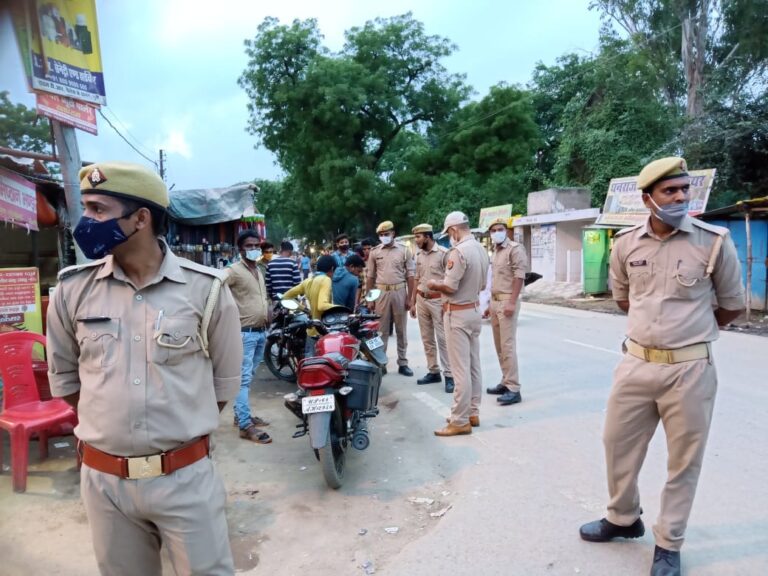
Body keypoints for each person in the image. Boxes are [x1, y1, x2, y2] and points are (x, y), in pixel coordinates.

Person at [46, 161, 243, 574]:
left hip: (186, 480)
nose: (86, 221)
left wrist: (173, 430)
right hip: (105, 484)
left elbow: (222, 387)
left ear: (140, 219)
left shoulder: (206, 290)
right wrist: (115, 428)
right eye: (86, 208)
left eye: (98, 209)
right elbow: (67, 381)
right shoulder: (71, 290)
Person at [579, 157, 745, 576]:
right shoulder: (625, 244)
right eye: (670, 191)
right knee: (616, 443)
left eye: (684, 189)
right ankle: (623, 517)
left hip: (690, 370)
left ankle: (669, 542)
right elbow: (623, 299)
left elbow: (731, 307)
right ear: (648, 198)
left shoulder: (714, 241)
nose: (680, 197)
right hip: (635, 364)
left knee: (683, 460)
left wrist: (686, 333)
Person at [427, 211, 489, 436]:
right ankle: (472, 412)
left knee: (460, 369)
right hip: (473, 309)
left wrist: (434, 284)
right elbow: (483, 285)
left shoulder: (458, 252)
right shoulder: (481, 249)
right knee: (473, 365)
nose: (450, 237)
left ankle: (459, 420)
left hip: (458, 314)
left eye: (449, 233)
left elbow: (450, 287)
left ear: (454, 230)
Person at [223, 231, 273, 444]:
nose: (253, 249)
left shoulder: (258, 270)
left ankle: (240, 416)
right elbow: (214, 288)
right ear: (240, 249)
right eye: (249, 246)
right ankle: (245, 425)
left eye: (256, 246)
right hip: (244, 333)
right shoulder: (232, 271)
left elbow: (262, 297)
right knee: (243, 380)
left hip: (260, 332)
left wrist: (267, 309)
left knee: (248, 377)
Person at [483, 217, 528, 406]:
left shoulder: (515, 249)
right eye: (493, 230)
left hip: (507, 301)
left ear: (507, 231)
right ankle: (505, 380)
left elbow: (519, 276)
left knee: (507, 346)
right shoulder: (495, 251)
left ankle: (514, 388)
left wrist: (512, 302)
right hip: (495, 302)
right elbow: (493, 279)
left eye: (500, 229)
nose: (496, 233)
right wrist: (488, 304)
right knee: (499, 346)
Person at [366, 221, 415, 376]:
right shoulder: (375, 252)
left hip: (399, 291)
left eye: (386, 234)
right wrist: (369, 299)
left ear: (393, 233)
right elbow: (370, 277)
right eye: (381, 235)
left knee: (401, 329)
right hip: (381, 292)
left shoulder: (404, 250)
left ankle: (403, 362)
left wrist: (410, 298)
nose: (384, 237)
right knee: (381, 330)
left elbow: (411, 276)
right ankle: (381, 362)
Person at [409, 223, 454, 393]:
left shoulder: (443, 254)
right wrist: (412, 302)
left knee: (443, 339)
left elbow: (450, 280)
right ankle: (433, 371)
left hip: (438, 301)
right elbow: (416, 278)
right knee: (427, 338)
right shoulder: (418, 254)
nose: (416, 240)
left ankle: (449, 375)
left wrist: (447, 302)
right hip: (421, 299)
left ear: (427, 237)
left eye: (418, 237)